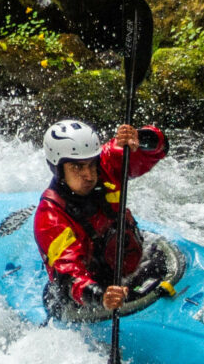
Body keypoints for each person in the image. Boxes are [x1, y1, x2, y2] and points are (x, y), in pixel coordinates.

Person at [34, 119, 178, 324]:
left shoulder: (107, 163)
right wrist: (101, 297)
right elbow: (69, 276)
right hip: (93, 297)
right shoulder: (50, 217)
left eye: (92, 164)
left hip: (133, 269)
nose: (89, 175)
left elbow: (157, 150)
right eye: (77, 167)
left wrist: (142, 139)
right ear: (58, 169)